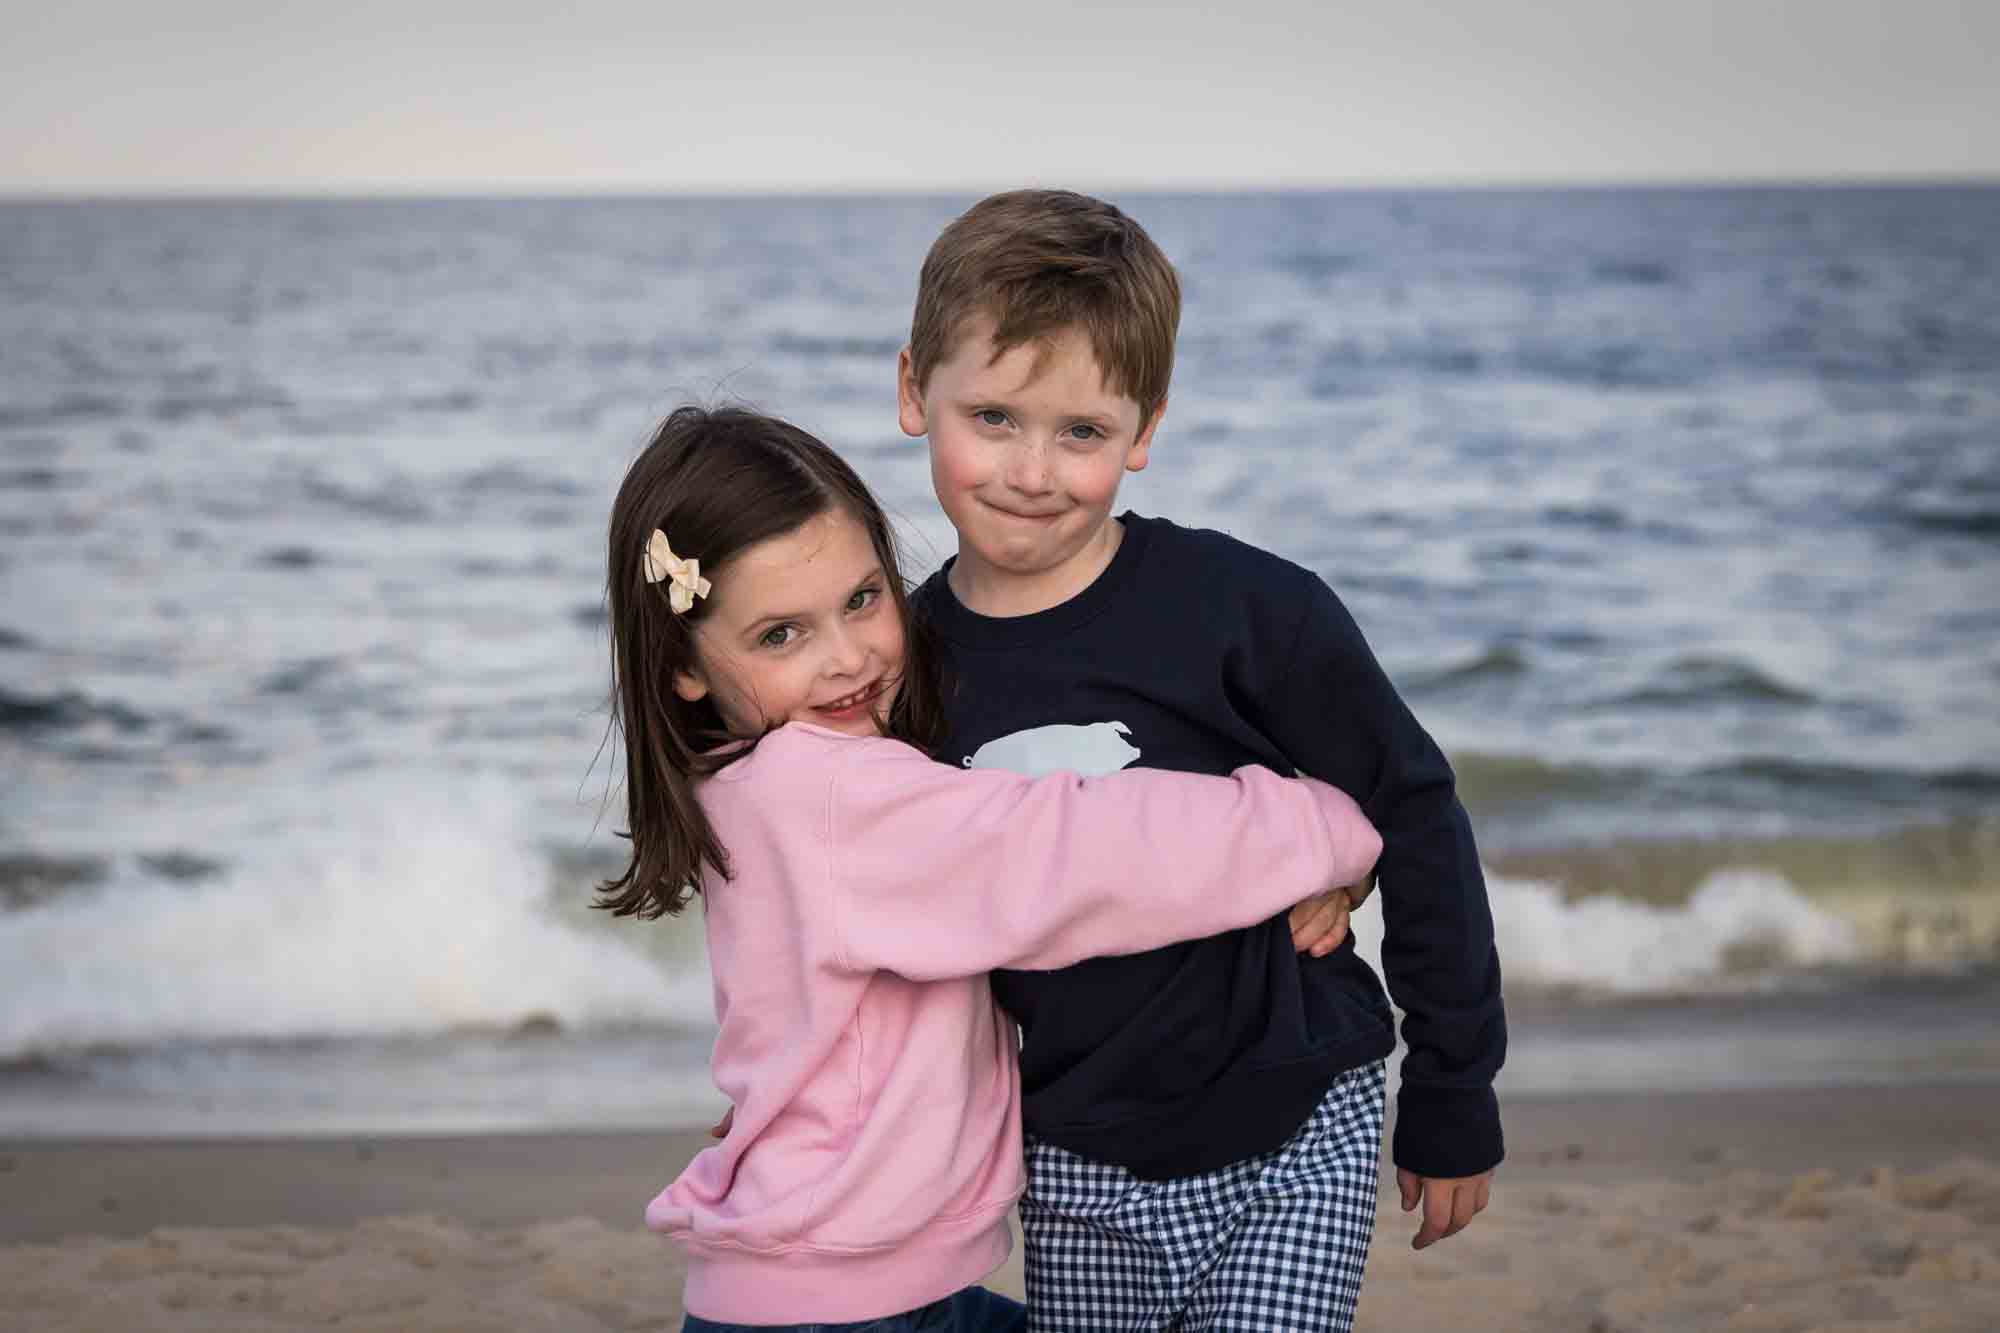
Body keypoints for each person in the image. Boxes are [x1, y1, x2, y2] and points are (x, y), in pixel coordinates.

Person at [599, 406, 1386, 1331]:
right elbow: (1079, 850)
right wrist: (1327, 820)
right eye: (782, 635)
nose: (848, 657)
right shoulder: (831, 791)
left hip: (827, 1279)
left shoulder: (742, 781)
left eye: (862, 599)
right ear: (682, 666)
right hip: (848, 1305)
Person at [895, 189, 1507, 1331]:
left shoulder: (1242, 608)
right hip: (1074, 1152)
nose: (1032, 469)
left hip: (1295, 1111)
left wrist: (1452, 1085)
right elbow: (897, 924)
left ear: (1144, 428)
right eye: (991, 417)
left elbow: (1413, 806)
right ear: (910, 391)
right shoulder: (903, 673)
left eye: (1081, 432)